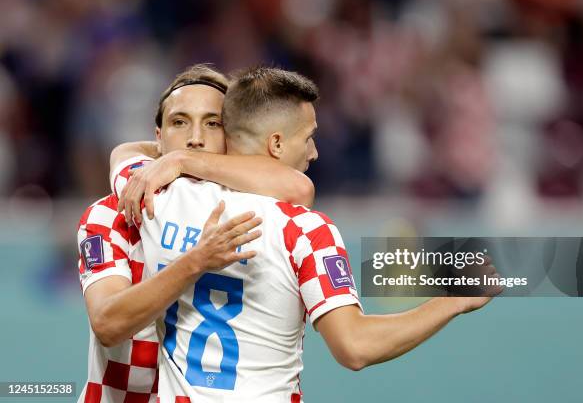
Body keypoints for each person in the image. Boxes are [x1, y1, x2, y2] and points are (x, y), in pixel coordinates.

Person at [131, 66, 502, 402]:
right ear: (276, 144)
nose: (315, 152)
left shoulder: (160, 200)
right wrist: (453, 301)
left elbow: (125, 155)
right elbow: (355, 347)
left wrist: (176, 158)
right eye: (308, 137)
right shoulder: (305, 230)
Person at [77, 64, 314, 403]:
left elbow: (299, 187)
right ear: (158, 137)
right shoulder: (110, 214)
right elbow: (108, 323)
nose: (195, 138)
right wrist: (195, 261)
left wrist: (181, 160)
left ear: (231, 138)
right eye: (179, 122)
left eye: (213, 123)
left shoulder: (249, 215)